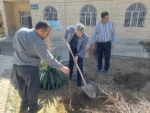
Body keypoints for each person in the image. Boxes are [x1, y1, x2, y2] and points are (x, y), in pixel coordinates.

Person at [12, 20, 70, 113]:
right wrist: (61, 67)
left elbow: (14, 46)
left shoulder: (20, 31)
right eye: (46, 34)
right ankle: (33, 108)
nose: (47, 36)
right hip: (30, 69)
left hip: (16, 67)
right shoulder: (38, 42)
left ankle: (23, 107)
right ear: (40, 30)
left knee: (21, 88)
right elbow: (47, 58)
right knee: (32, 89)